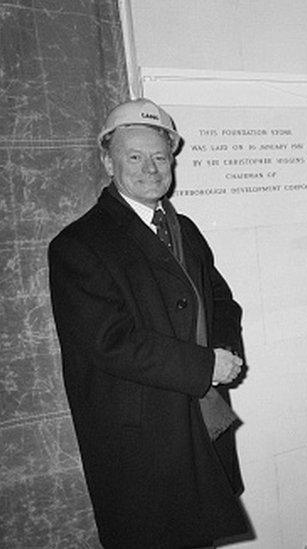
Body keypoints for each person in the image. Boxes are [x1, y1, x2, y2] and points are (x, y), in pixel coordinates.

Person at [48, 98, 248, 548]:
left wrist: (224, 352)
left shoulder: (186, 229)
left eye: (160, 156)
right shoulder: (78, 245)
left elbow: (220, 301)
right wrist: (203, 366)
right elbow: (109, 341)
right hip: (139, 432)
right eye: (134, 156)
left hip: (198, 416)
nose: (151, 168)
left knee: (199, 533)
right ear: (107, 161)